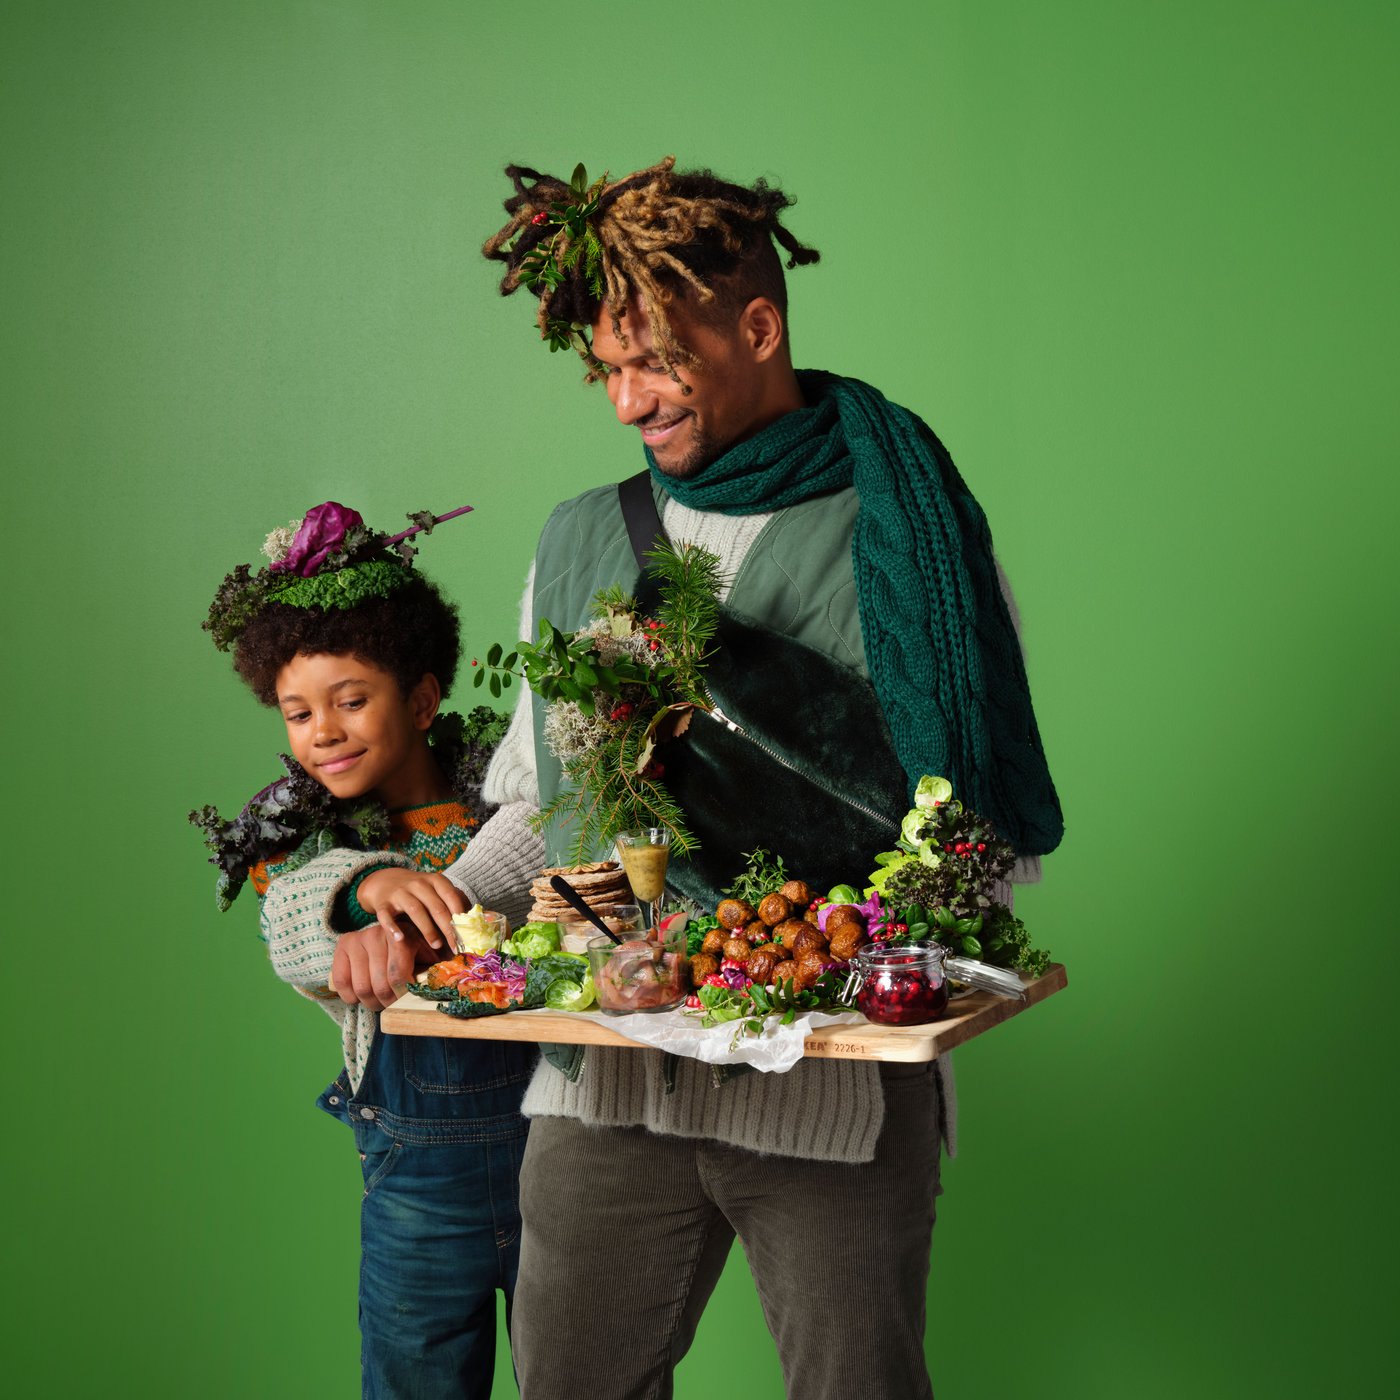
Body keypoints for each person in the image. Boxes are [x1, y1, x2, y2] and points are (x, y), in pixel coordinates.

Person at [475, 156, 1065, 1400]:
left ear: (756, 328)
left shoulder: (907, 540)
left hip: (831, 1104)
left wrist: (860, 953)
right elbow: (540, 801)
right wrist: (439, 899)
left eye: (654, 361)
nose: (626, 400)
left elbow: (978, 837)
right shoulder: (576, 536)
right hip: (601, 1090)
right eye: (605, 369)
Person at [191, 501, 543, 1399]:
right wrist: (366, 885)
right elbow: (290, 929)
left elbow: (552, 842)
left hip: (559, 1160)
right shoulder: (308, 845)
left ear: (421, 700)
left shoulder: (498, 805)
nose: (324, 731)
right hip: (415, 1188)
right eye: (298, 712)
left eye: (351, 701)